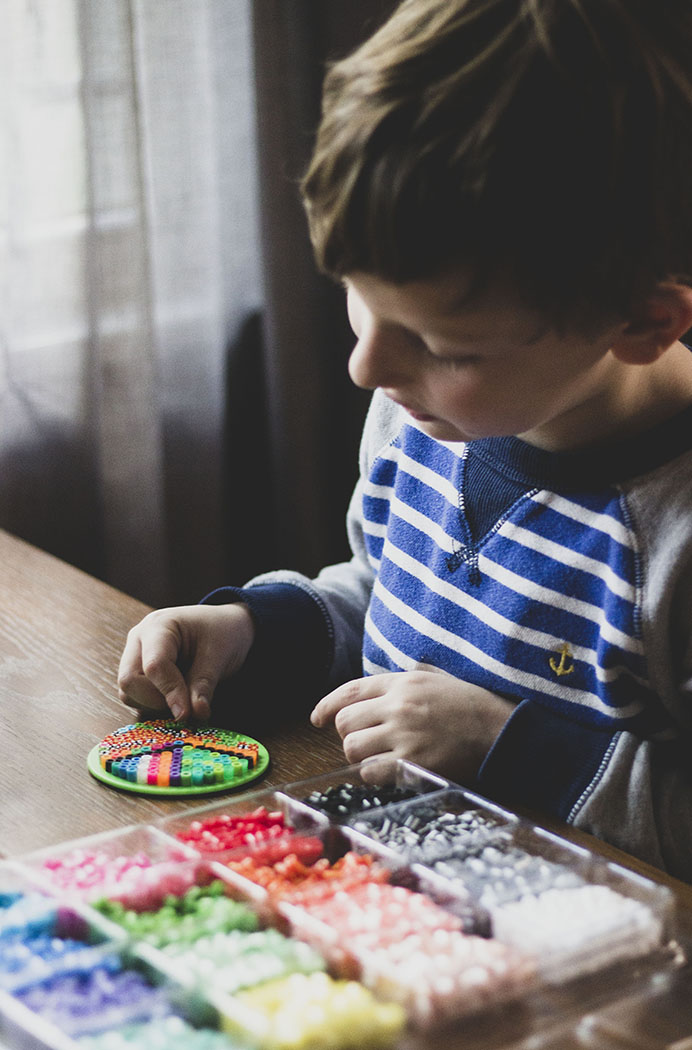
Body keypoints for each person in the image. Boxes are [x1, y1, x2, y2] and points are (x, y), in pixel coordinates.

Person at [117, 0, 692, 880]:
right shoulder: (427, 406)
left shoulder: (671, 536)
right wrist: (254, 629)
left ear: (644, 321)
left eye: (444, 344)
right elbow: (392, 594)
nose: (365, 366)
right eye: (358, 300)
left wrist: (505, 742)